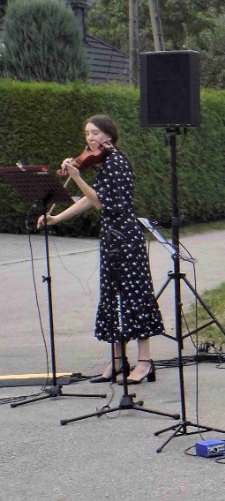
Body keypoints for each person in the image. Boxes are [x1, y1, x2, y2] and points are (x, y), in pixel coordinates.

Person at [37, 115, 164, 384]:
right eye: (86, 133)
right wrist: (57, 218)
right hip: (111, 237)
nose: (90, 138)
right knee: (113, 295)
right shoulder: (104, 162)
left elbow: (100, 203)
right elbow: (88, 199)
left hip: (126, 238)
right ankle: (118, 361)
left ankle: (144, 363)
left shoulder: (116, 163)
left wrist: (77, 177)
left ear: (108, 135)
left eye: (95, 132)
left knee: (133, 296)